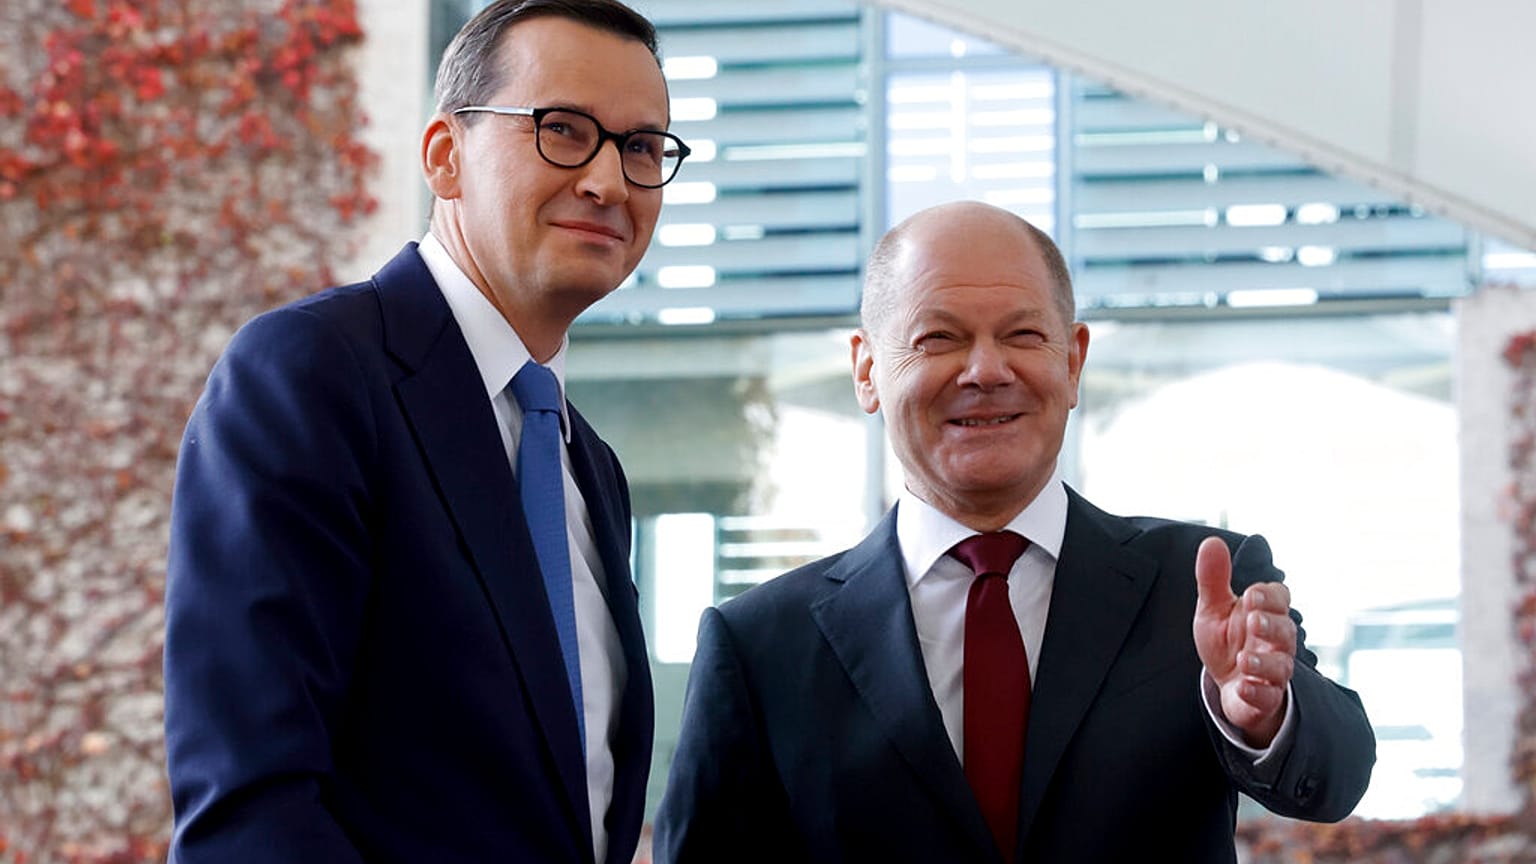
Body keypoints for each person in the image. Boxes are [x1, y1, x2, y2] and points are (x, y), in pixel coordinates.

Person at [653, 201, 1375, 863]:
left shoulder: (1199, 582)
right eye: (939, 338)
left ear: (1072, 360)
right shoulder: (759, 646)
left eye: (1023, 335)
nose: (986, 370)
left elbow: (1338, 775)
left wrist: (1260, 712)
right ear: (868, 370)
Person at [162, 2, 690, 862]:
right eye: (563, 130)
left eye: (639, 147)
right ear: (446, 157)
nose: (608, 180)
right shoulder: (314, 373)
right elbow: (251, 808)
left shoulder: (589, 463)